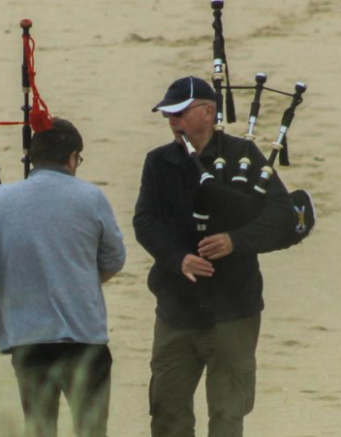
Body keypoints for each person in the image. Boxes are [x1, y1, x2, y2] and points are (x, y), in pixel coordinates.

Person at [133, 76, 296, 437]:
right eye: (168, 115)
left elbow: (282, 215)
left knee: (227, 415)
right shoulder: (158, 162)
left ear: (208, 112)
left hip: (234, 309)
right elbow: (145, 221)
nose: (173, 121)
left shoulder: (244, 155)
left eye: (180, 112)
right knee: (167, 414)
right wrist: (178, 259)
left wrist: (235, 241)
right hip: (176, 308)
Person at [0, 118, 126, 437]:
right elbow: (114, 259)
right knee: (91, 430)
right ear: (71, 157)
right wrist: (80, 279)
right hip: (83, 336)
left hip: (28, 337)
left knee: (38, 428)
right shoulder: (91, 197)